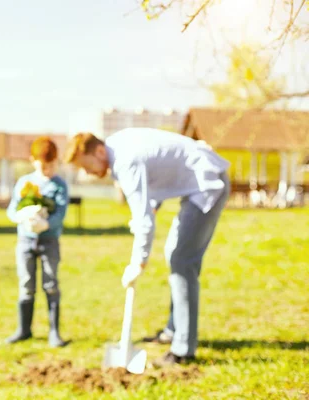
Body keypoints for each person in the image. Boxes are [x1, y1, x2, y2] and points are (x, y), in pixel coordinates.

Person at [63, 128, 230, 366]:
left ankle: (183, 349)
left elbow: (144, 222)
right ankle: (173, 331)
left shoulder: (125, 161)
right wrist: (152, 206)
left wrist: (138, 262)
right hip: (200, 179)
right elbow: (158, 174)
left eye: (86, 165)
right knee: (177, 256)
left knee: (181, 260)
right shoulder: (117, 147)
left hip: (208, 182)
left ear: (99, 151)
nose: (87, 173)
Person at [5, 137, 69, 348]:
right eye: (44, 166)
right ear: (33, 161)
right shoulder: (25, 183)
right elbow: (12, 210)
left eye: (52, 165)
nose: (48, 170)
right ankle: (24, 330)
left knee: (50, 284)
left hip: (49, 241)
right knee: (26, 285)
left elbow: (60, 213)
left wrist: (46, 223)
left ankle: (54, 332)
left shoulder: (59, 186)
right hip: (26, 241)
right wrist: (23, 216)